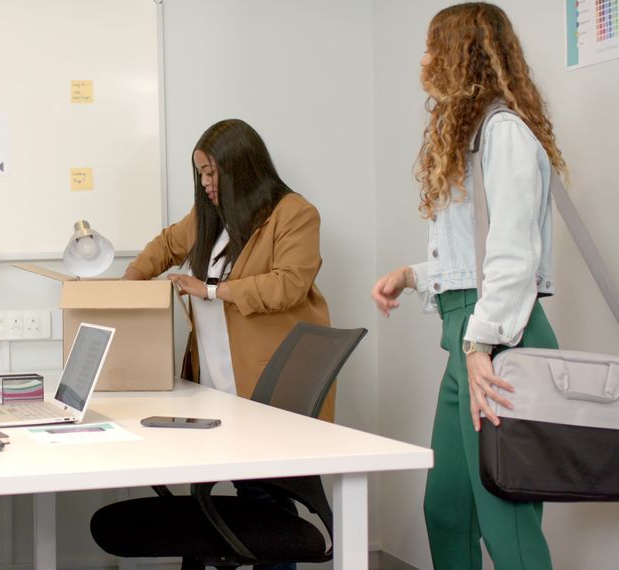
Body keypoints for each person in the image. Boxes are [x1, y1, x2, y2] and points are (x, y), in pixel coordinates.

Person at [371, 4, 566, 569]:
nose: (425, 59)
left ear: (464, 55)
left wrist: (483, 346)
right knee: (449, 508)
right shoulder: (475, 136)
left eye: (434, 46)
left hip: (501, 340)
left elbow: (512, 258)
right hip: (471, 340)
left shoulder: (504, 133)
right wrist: (411, 277)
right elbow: (474, 261)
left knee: (506, 521)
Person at [125, 118, 332, 417]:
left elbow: (287, 286)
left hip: (268, 376)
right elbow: (166, 245)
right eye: (200, 174)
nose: (205, 182)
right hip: (210, 377)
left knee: (267, 455)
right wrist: (128, 283)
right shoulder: (210, 215)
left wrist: (210, 290)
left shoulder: (295, 214)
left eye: (210, 172)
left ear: (240, 167)